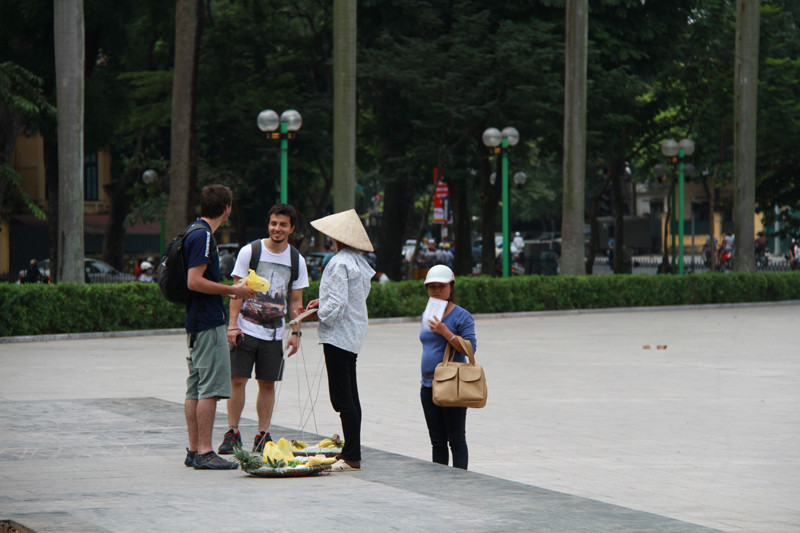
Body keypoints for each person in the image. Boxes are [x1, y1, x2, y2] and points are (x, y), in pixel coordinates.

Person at [218, 204, 309, 455]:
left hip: (274, 334)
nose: (276, 229)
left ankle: (263, 434)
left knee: (268, 384)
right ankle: (233, 432)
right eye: (273, 223)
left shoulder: (296, 259)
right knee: (238, 380)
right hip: (246, 329)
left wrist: (295, 332)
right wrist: (232, 325)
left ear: (291, 228)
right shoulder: (251, 251)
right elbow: (236, 292)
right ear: (268, 225)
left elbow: (295, 301)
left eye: (282, 224)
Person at [182, 184, 256, 470]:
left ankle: (193, 450)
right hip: (207, 322)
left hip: (195, 321)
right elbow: (194, 281)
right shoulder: (204, 237)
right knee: (209, 389)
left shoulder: (192, 230)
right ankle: (204, 452)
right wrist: (231, 290)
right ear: (227, 208)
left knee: (196, 388)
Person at [301, 209, 375, 472]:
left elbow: (338, 306)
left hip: (338, 337)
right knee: (351, 396)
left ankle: (352, 455)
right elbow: (349, 298)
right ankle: (351, 450)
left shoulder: (338, 263)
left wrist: (316, 314)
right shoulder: (357, 261)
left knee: (342, 398)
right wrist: (323, 303)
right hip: (353, 335)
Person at [418, 265, 477, 470]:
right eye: (431, 286)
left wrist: (446, 332)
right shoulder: (428, 312)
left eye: (441, 286)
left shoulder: (462, 316)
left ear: (451, 287)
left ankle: (460, 482)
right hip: (427, 385)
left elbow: (471, 349)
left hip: (451, 385)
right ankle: (440, 484)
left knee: (456, 440)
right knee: (437, 441)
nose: (436, 290)